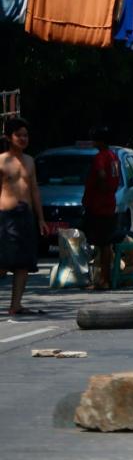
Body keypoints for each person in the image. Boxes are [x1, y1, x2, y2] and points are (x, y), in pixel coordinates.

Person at [0, 117, 50, 315]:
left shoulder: (30, 161)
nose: (22, 138)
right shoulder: (2, 161)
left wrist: (41, 218)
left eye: (25, 135)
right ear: (8, 137)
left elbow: (35, 190)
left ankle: (16, 305)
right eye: (18, 135)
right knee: (3, 263)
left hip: (26, 216)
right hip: (6, 217)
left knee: (24, 264)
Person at [82, 127, 121, 290]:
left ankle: (103, 279)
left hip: (98, 204)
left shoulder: (100, 157)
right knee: (105, 244)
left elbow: (101, 176)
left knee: (101, 244)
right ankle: (104, 278)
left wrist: (100, 191)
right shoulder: (114, 156)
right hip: (109, 203)